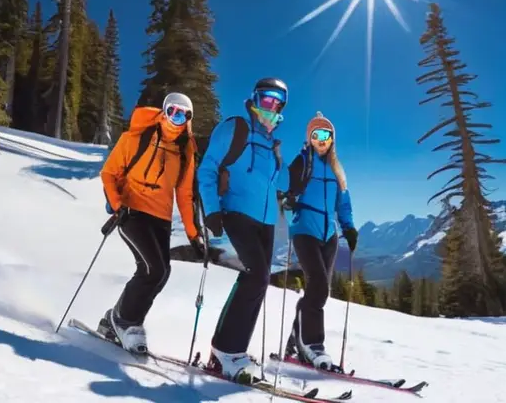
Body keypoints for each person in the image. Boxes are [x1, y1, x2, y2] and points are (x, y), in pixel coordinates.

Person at [196, 77, 291, 381]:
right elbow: (208, 168)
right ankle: (224, 350)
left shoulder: (273, 146)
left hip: (266, 223)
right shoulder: (235, 128)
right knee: (257, 275)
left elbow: (281, 185)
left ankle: (234, 351)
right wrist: (211, 210)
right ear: (255, 99)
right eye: (267, 99)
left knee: (260, 282)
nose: (271, 106)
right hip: (236, 213)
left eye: (278, 103)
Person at [98, 92, 205, 353]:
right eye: (173, 111)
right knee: (153, 269)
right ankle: (125, 321)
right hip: (132, 212)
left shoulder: (184, 152)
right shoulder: (136, 137)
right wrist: (117, 205)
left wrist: (194, 235)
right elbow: (109, 174)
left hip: (161, 219)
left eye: (184, 114)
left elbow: (184, 194)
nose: (177, 118)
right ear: (164, 111)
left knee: (161, 272)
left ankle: (117, 320)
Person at [281, 111, 358, 370]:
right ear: (309, 138)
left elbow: (343, 203)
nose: (321, 139)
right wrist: (287, 197)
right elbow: (284, 186)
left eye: (326, 135)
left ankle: (295, 342)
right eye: (316, 135)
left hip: (329, 235)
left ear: (332, 139)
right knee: (319, 287)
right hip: (305, 230)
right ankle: (313, 345)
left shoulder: (337, 169)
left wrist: (349, 227)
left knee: (318, 292)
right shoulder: (303, 162)